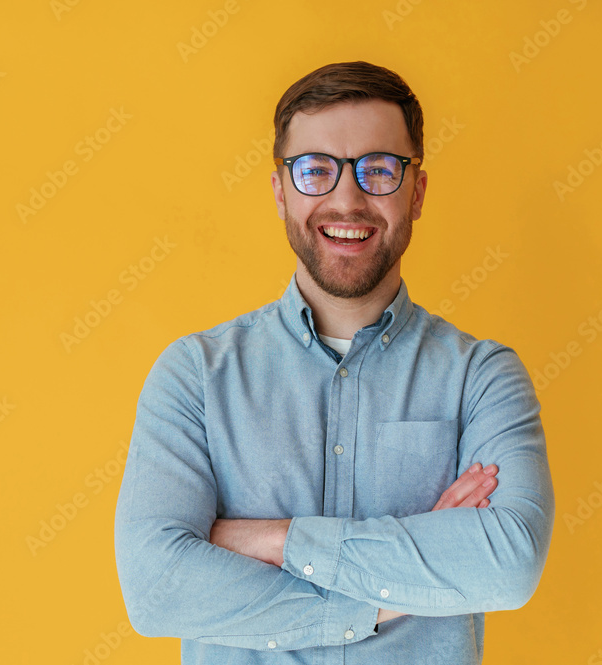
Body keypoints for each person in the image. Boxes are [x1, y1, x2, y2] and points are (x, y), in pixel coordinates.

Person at [114, 60, 555, 664]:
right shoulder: (194, 376)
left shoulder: (482, 378)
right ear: (279, 191)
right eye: (315, 170)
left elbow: (507, 565)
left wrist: (271, 539)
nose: (347, 200)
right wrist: (387, 596)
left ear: (417, 192)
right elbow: (156, 588)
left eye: (378, 169)